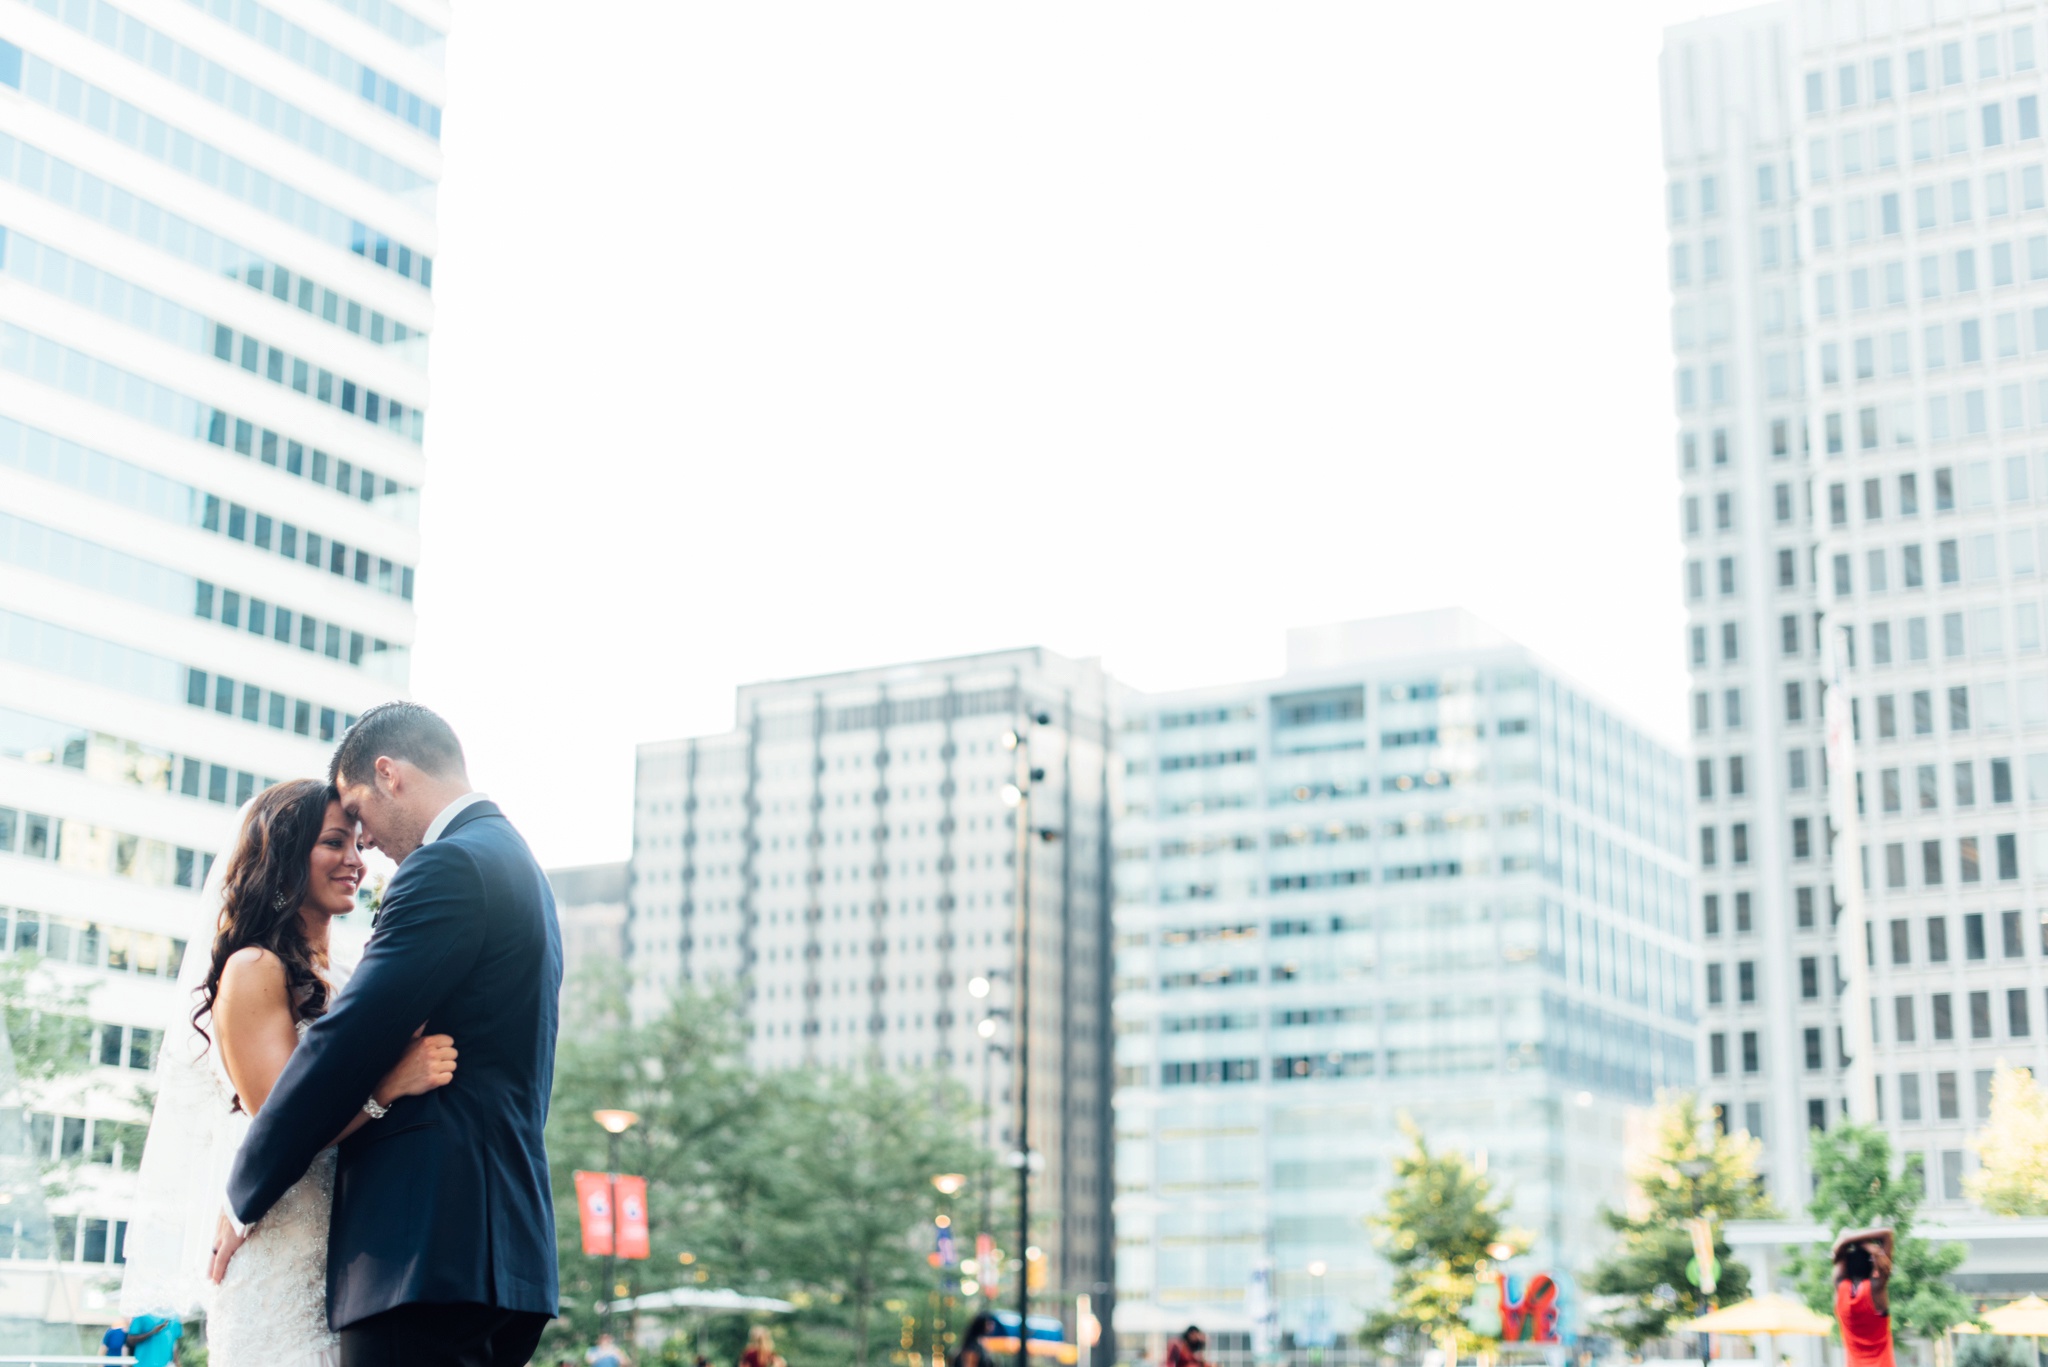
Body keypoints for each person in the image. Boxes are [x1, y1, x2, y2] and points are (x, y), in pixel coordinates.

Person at [118, 779, 460, 1363]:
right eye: (334, 843)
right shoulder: (254, 968)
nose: (355, 860)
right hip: (281, 1256)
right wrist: (387, 1087)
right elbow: (281, 1119)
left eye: (357, 843)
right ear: (283, 857)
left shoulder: (355, 971)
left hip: (357, 1258)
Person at [1832, 1226, 1895, 1367]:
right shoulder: (1875, 1289)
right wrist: (1866, 1245)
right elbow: (1887, 1233)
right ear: (1871, 1265)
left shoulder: (1840, 1287)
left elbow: (1839, 1249)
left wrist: (1846, 1239)